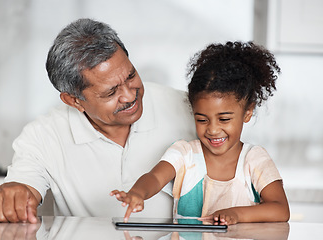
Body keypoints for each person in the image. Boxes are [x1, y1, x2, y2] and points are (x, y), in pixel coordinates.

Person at [0, 18, 196, 223]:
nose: (129, 96)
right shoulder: (43, 135)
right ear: (74, 101)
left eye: (131, 76)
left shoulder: (188, 109)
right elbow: (23, 188)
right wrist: (13, 195)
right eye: (111, 92)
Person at [111, 41, 290, 225]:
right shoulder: (185, 153)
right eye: (202, 120)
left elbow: (280, 209)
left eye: (224, 119)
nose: (212, 129)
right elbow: (155, 177)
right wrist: (138, 193)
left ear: (248, 112)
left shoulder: (254, 159)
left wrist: (236, 215)